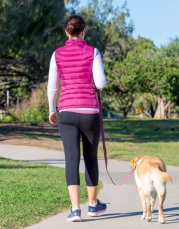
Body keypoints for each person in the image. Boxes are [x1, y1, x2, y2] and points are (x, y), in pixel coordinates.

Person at [47, 15, 107, 222]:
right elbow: (100, 82)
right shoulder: (93, 52)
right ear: (84, 31)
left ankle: (75, 210)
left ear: (66, 32)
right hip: (90, 112)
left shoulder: (57, 54)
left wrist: (51, 109)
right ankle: (93, 205)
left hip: (67, 112)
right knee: (90, 157)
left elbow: (52, 87)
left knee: (72, 159)